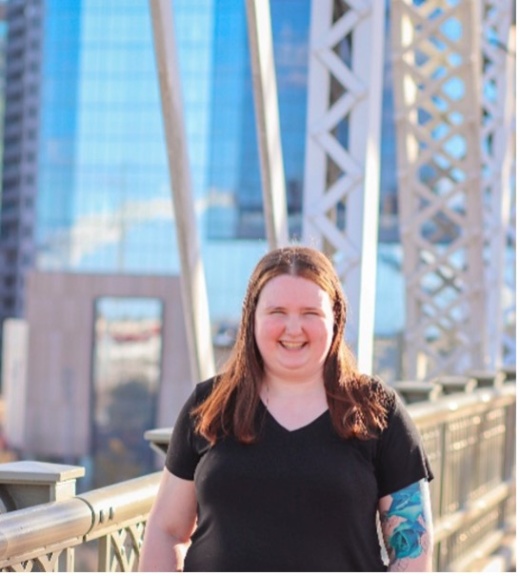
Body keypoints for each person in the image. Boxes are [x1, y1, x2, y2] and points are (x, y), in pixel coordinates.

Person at [138, 245, 434, 572]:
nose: (293, 329)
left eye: (311, 313)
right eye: (277, 312)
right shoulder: (210, 404)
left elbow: (411, 548)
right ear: (252, 318)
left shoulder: (377, 410)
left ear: (335, 318)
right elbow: (167, 530)